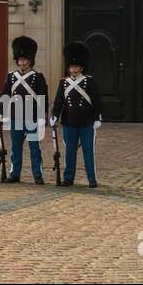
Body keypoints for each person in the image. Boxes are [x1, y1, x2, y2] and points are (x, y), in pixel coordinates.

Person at [50, 41, 102, 187]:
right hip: (69, 121)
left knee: (88, 151)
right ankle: (68, 177)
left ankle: (91, 178)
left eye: (76, 66)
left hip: (86, 122)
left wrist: (98, 117)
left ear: (81, 67)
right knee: (70, 151)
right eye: (72, 66)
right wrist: (54, 115)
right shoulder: (64, 83)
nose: (74, 69)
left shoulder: (89, 81)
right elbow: (59, 101)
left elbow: (96, 101)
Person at [3, 35, 48, 184]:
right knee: (16, 148)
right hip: (16, 115)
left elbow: (43, 97)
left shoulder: (38, 76)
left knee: (34, 147)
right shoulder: (11, 77)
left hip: (32, 115)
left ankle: (37, 174)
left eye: (24, 59)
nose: (22, 62)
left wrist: (42, 116)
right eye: (20, 60)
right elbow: (5, 95)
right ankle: (15, 173)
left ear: (30, 60)